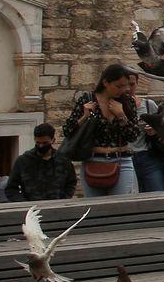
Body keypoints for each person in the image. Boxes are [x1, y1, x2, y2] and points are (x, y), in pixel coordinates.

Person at [62, 64, 145, 196]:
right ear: (106, 82)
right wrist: (84, 117)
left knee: (120, 207)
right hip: (93, 161)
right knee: (94, 208)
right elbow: (68, 130)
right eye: (118, 86)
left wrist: (121, 116)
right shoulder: (87, 99)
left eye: (125, 86)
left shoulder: (127, 102)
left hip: (121, 160)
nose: (123, 90)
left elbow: (133, 135)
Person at [5, 122, 76, 201]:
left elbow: (71, 183)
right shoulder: (23, 161)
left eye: (45, 143)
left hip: (56, 206)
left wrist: (64, 199)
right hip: (31, 208)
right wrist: (24, 204)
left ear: (53, 140)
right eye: (38, 143)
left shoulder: (63, 161)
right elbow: (11, 188)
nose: (41, 146)